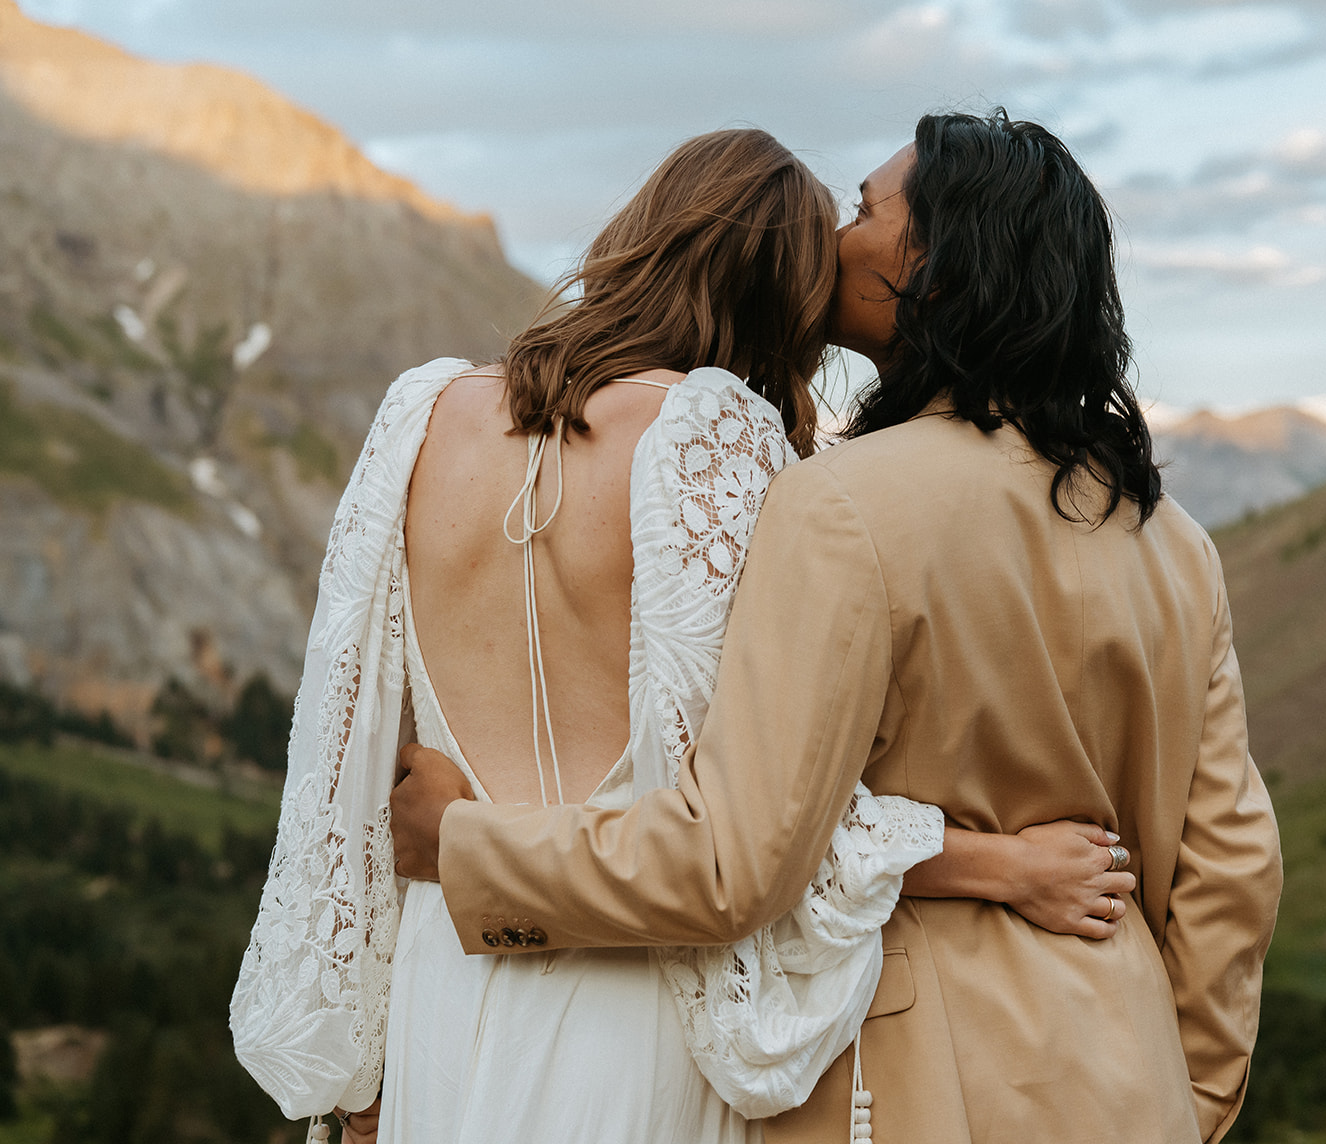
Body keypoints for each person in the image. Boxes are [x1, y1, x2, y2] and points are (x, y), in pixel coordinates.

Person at [393, 109, 1284, 1143]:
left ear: (940, 269)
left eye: (864, 211)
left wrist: (465, 848)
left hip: (906, 1090)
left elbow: (735, 857)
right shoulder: (1172, 543)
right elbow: (1231, 876)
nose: (830, 238)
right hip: (1131, 1085)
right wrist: (1189, 1102)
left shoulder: (839, 507)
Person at [231, 127, 1135, 1144]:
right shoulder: (714, 433)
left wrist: (356, 1065)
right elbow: (757, 824)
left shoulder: (423, 412)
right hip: (629, 995)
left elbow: (344, 765)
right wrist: (996, 864)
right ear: (787, 300)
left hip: (442, 973)